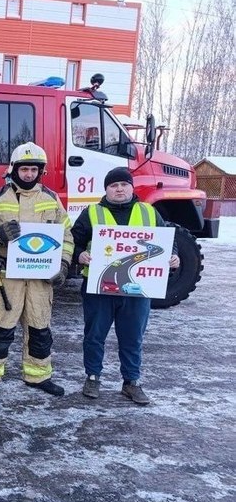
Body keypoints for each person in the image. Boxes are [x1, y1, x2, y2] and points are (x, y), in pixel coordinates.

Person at [0, 142, 73, 398]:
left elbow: (66, 236)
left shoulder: (51, 199)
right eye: (24, 169)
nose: (28, 174)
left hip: (41, 279)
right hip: (7, 278)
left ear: (41, 172)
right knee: (0, 328)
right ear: (14, 170)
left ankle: (38, 376)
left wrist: (63, 264)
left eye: (33, 170)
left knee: (40, 328)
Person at [71, 166, 179, 405]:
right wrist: (79, 256)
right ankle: (92, 376)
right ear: (106, 189)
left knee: (132, 337)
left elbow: (167, 241)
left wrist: (173, 256)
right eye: (113, 185)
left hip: (138, 289)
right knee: (94, 335)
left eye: (123, 185)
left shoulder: (149, 212)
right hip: (99, 288)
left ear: (131, 187)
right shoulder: (92, 213)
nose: (119, 189)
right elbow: (72, 242)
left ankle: (131, 382)